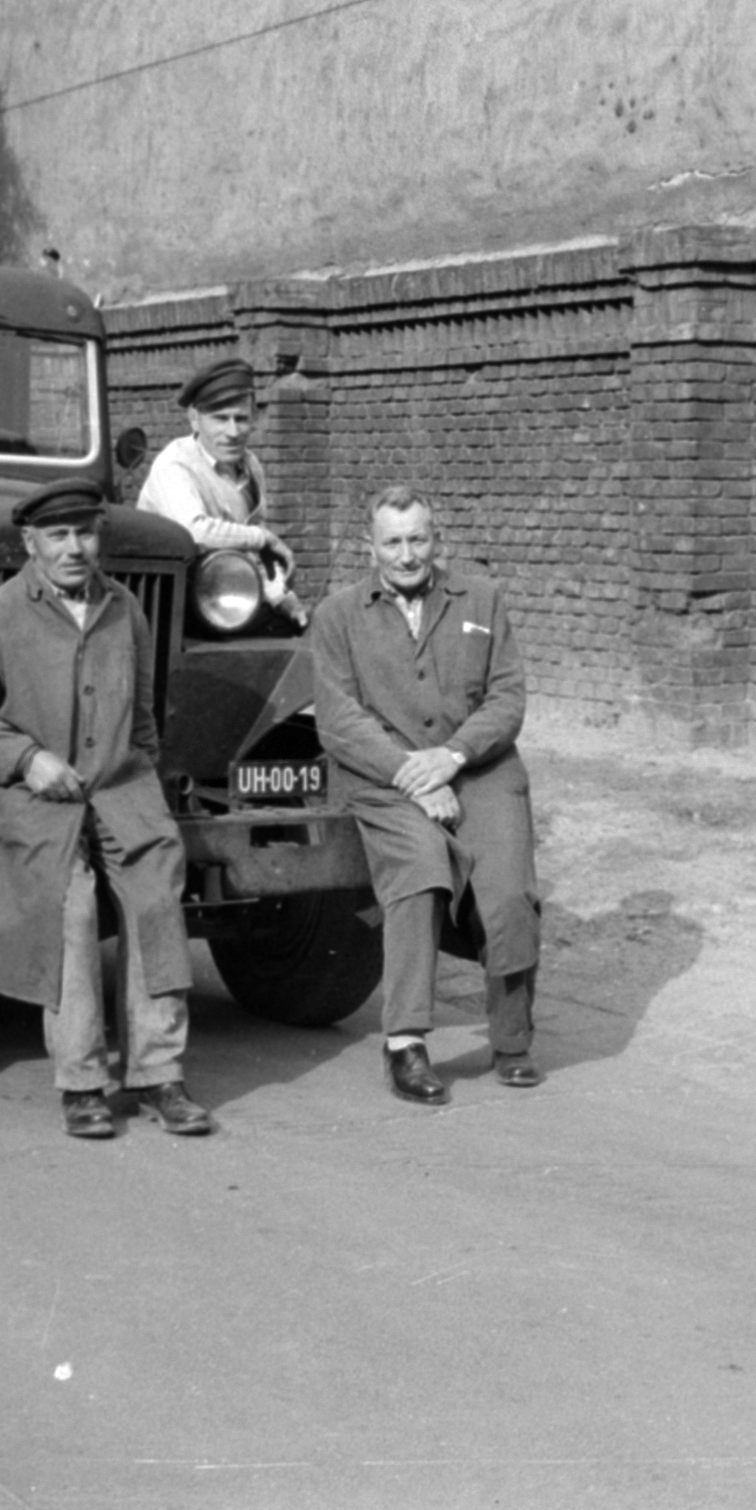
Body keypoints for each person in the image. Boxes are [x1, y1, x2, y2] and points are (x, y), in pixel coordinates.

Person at [0, 478, 212, 1139]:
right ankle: (82, 1082)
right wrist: (28, 759)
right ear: (29, 543)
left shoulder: (125, 611)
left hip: (121, 791)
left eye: (83, 533)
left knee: (155, 904)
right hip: (37, 801)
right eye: (56, 536)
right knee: (71, 909)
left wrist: (139, 777)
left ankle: (159, 1076)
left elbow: (144, 719)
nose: (72, 548)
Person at [311, 485, 543, 1105]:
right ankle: (405, 1045)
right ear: (371, 547)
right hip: (386, 777)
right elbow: (338, 719)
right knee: (419, 873)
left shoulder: (483, 600)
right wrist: (412, 774)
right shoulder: (337, 614)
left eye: (418, 539)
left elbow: (507, 698)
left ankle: (512, 1039)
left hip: (478, 766)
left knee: (510, 891)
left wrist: (453, 757)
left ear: (437, 539)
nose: (408, 554)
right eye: (393, 542)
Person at [135, 355, 307, 626]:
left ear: (254, 419)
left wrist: (281, 597)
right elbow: (194, 532)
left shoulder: (251, 466)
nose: (232, 431)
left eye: (241, 419)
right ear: (194, 419)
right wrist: (262, 537)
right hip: (167, 611)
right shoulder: (175, 464)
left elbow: (249, 554)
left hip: (227, 604)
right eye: (220, 419)